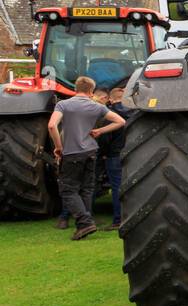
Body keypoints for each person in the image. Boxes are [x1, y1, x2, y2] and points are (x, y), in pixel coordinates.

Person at [47, 76, 125, 240]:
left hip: (71, 153)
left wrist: (58, 147)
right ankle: (85, 224)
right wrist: (99, 131)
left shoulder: (63, 104)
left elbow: (52, 125)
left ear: (76, 88)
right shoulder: (96, 106)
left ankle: (84, 222)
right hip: (91, 152)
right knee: (87, 189)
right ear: (91, 90)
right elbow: (120, 121)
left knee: (68, 190)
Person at [102, 85, 131, 230]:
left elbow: (106, 138)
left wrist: (104, 153)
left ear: (110, 99)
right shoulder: (137, 113)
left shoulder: (110, 115)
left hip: (114, 156)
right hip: (134, 154)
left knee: (117, 188)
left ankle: (118, 220)